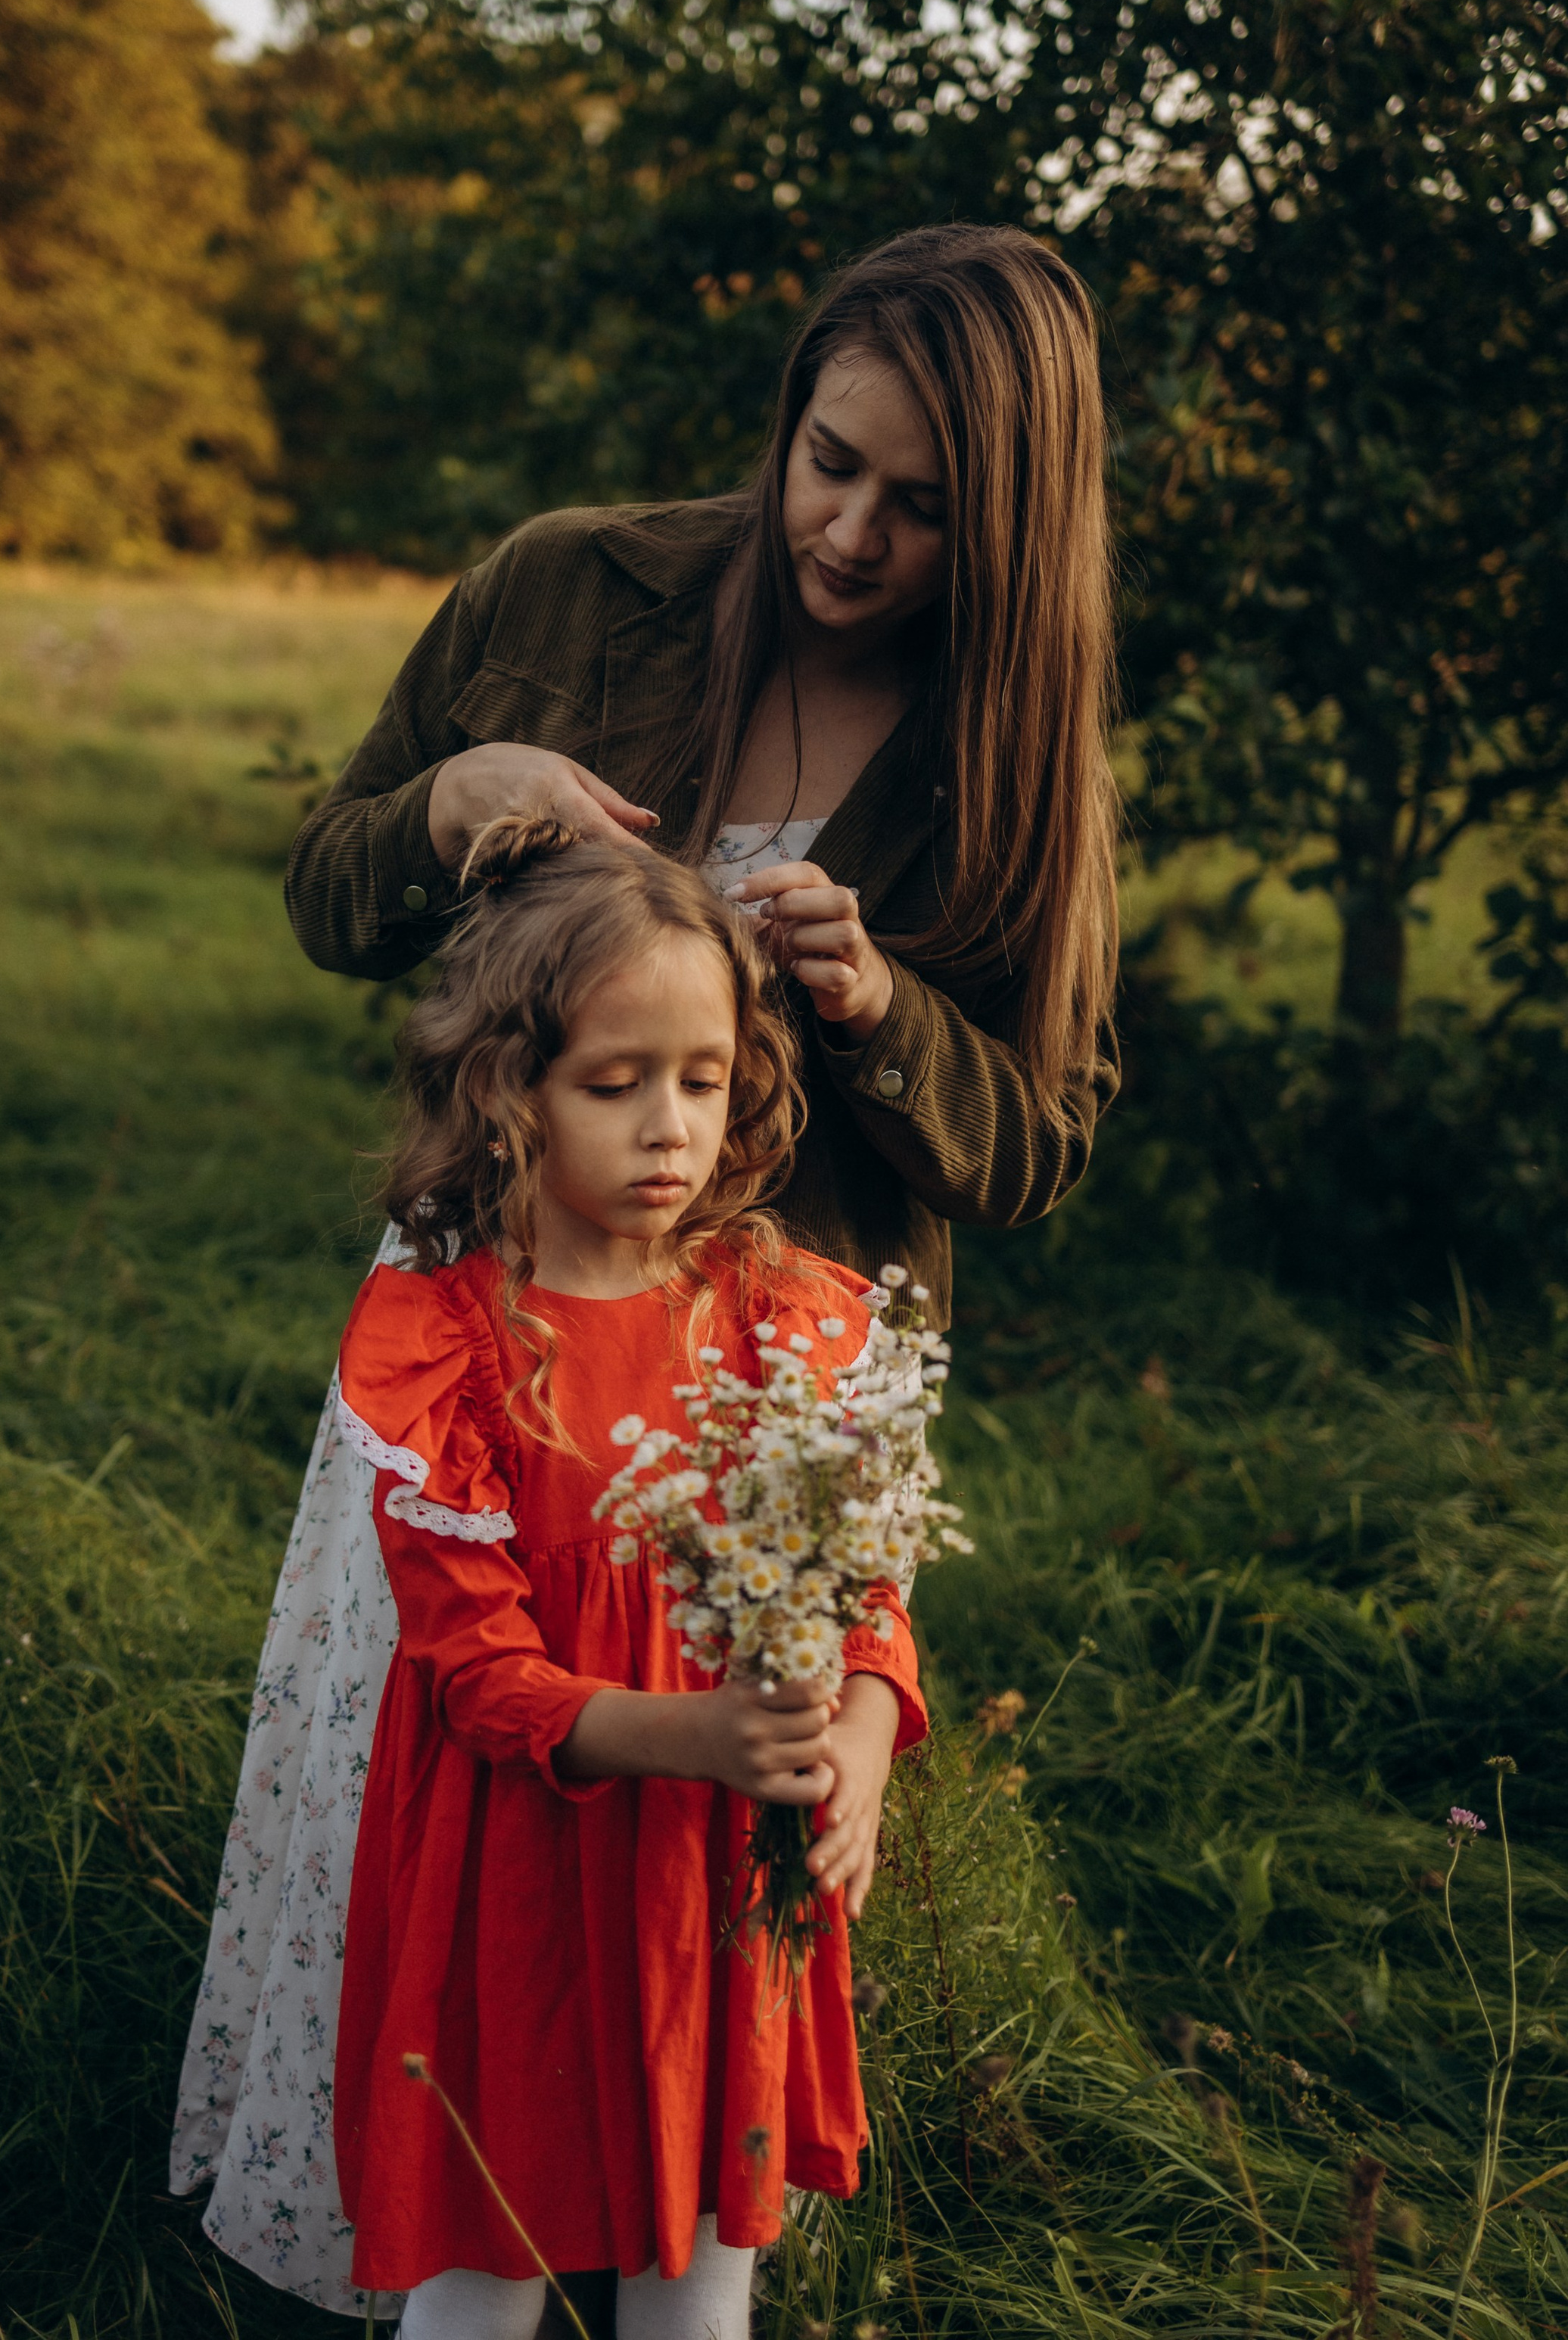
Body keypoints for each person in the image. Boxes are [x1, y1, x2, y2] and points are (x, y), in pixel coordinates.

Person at [170, 223, 1120, 2309]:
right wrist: (448, 806)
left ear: (1012, 522)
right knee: (449, 1796)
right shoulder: (570, 585)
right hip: (500, 1348)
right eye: (830, 461)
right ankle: (408, 2239)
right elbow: (334, 889)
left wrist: (879, 1008)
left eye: (925, 506)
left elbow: (1040, 1143)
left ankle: (675, 2252)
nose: (852, 532)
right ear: (787, 413)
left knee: (703, 1868)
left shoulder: (1010, 755)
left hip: (765, 1417)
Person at [337, 815, 924, 2338]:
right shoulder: (451, 1345)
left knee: (695, 2273)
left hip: (712, 1891)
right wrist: (696, 1738)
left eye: (703, 1077)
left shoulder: (770, 1318)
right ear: (507, 1092)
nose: (669, 1126)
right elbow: (475, 1672)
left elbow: (859, 1581)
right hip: (513, 1887)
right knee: (483, 2276)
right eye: (613, 1084)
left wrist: (858, 1731)